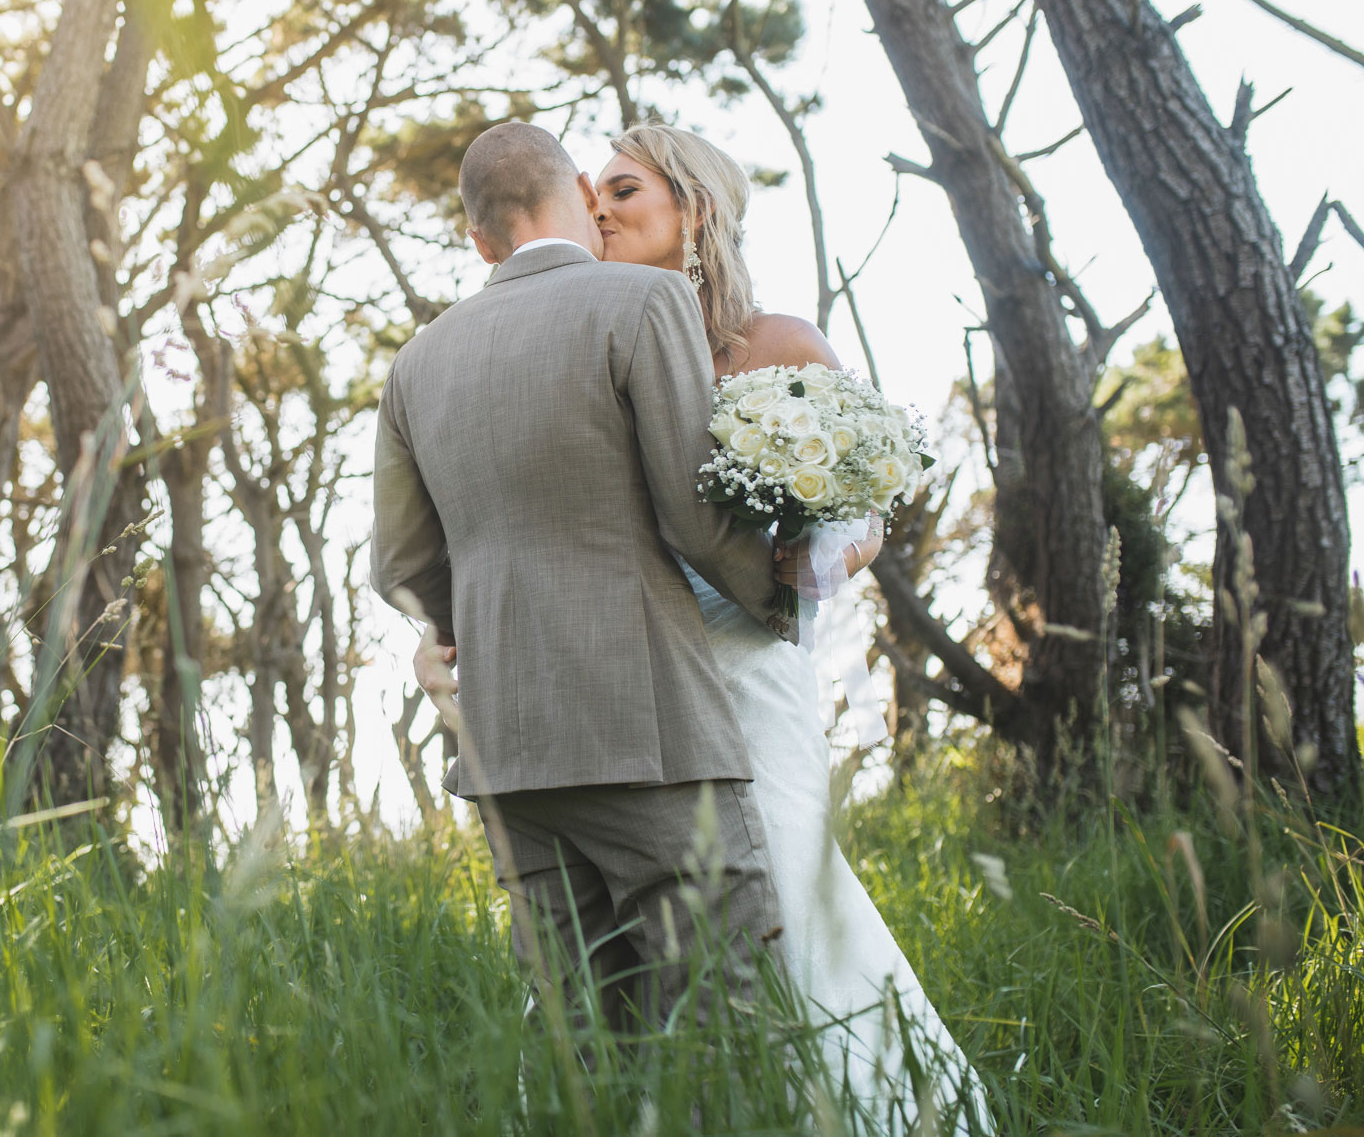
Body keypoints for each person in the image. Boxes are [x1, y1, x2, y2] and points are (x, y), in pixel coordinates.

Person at [408, 124, 993, 1131]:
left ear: (697, 209)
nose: (597, 209)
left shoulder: (775, 346)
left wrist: (804, 556)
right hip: (608, 685)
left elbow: (857, 508)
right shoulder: (585, 337)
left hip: (740, 655)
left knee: (782, 907)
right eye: (589, 192)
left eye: (625, 191)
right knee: (622, 954)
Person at [371, 120, 793, 1046]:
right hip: (648, 732)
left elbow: (397, 566)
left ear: (479, 239)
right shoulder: (642, 301)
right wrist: (782, 598)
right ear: (573, 186)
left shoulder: (415, 364)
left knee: (584, 1041)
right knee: (719, 1026)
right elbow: (692, 512)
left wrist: (473, 628)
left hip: (506, 754)